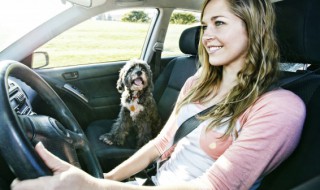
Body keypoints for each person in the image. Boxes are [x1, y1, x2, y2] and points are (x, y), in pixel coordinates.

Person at [11, 0, 306, 189]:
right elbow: (160, 144)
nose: (205, 36)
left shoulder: (279, 108)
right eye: (204, 25)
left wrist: (93, 188)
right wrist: (106, 179)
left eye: (219, 23)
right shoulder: (196, 83)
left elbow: (213, 187)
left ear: (254, 30)